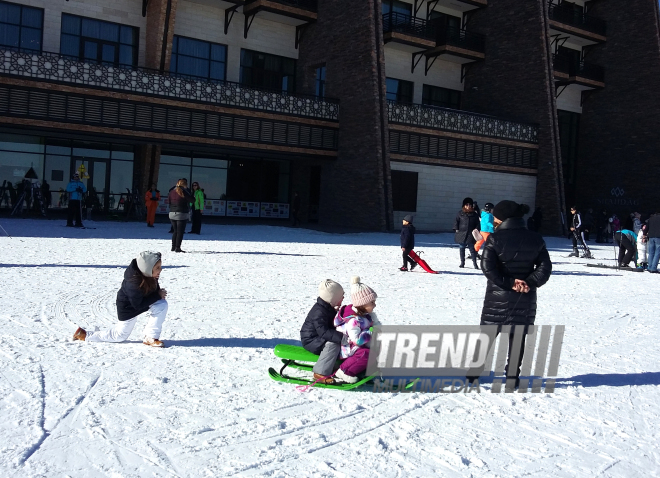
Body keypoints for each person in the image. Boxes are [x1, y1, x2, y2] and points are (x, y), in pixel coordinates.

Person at [474, 200, 552, 390]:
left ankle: (474, 373)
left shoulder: (494, 239)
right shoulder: (536, 239)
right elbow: (545, 267)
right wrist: (529, 282)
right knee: (518, 336)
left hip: (497, 297)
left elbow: (487, 267)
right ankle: (512, 376)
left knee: (488, 334)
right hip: (524, 297)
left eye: (495, 218)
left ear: (501, 219)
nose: (493, 222)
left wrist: (509, 283)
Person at [72, 251, 168, 347]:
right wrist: (158, 295)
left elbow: (153, 289)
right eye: (157, 268)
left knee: (161, 304)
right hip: (128, 308)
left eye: (160, 267)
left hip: (141, 302)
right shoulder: (133, 282)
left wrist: (158, 294)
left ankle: (151, 337)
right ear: (147, 268)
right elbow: (137, 305)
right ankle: (84, 334)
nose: (160, 270)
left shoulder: (149, 274)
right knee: (119, 336)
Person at [332, 276, 380, 384]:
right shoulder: (353, 320)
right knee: (366, 354)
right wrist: (371, 332)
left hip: (358, 347)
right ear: (362, 304)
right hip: (348, 348)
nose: (375, 305)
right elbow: (356, 340)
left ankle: (366, 371)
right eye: (372, 302)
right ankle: (344, 371)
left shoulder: (367, 315)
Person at [300, 279, 345, 384]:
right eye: (340, 297)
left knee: (337, 342)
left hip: (318, 337)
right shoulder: (319, 311)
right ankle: (320, 373)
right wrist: (341, 337)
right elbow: (323, 332)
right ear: (332, 299)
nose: (343, 298)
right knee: (333, 344)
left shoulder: (327, 307)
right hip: (311, 340)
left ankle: (336, 365)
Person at [168, 179, 194, 253]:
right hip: (181, 213)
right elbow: (192, 200)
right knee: (180, 232)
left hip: (172, 213)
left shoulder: (172, 191)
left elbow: (169, 201)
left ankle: (173, 247)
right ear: (184, 185)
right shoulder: (184, 192)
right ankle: (177, 247)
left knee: (175, 231)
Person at [453, 197, 480, 269]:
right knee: (462, 248)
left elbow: (478, 223)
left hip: (470, 234)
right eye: (467, 204)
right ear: (464, 205)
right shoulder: (460, 213)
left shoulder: (474, 214)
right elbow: (456, 221)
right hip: (461, 233)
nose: (468, 206)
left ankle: (475, 263)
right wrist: (456, 229)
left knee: (472, 249)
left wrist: (476, 229)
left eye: (470, 204)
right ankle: (462, 263)